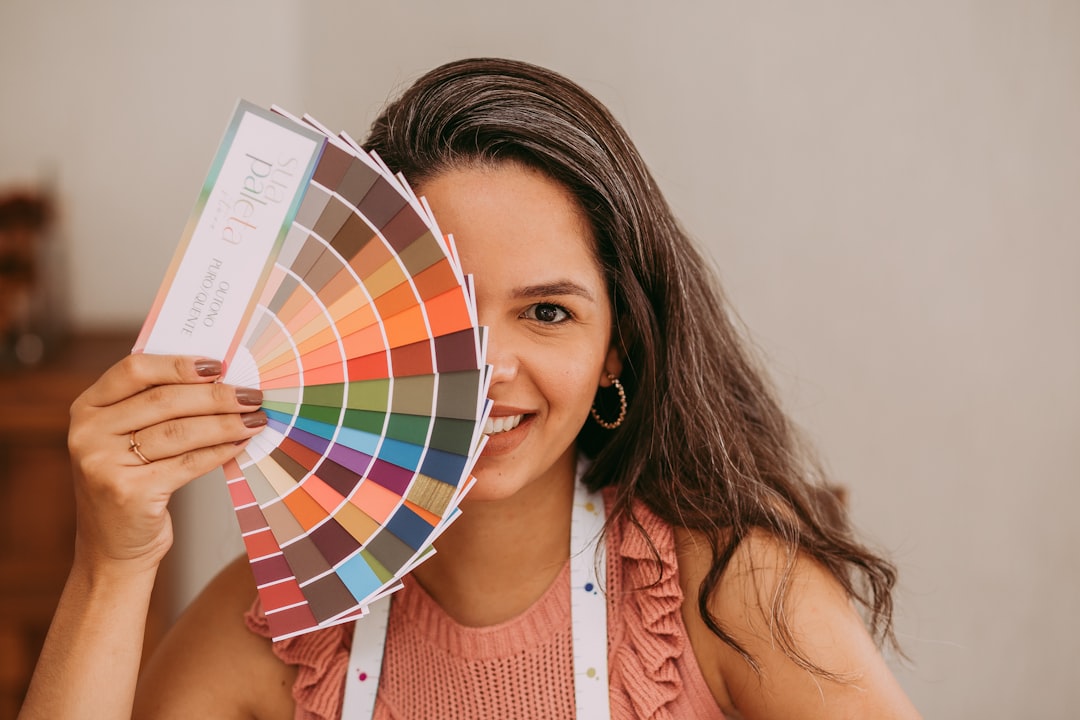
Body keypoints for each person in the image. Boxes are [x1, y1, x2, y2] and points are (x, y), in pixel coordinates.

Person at [19, 58, 921, 719]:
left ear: (618, 348)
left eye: (549, 314)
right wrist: (113, 565)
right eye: (441, 308)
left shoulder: (728, 592)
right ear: (358, 319)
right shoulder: (281, 623)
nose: (487, 368)